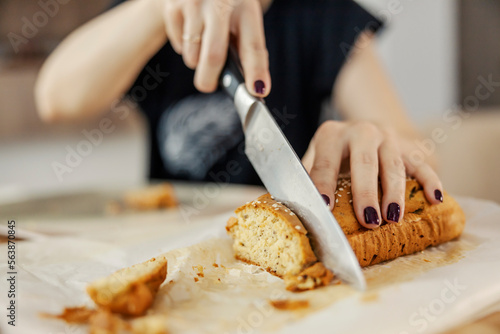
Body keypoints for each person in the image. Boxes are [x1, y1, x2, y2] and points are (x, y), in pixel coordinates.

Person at [34, 0, 444, 230]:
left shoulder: (320, 13)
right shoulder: (156, 15)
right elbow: (55, 98)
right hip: (163, 245)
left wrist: (373, 139)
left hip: (285, 247)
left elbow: (418, 153)